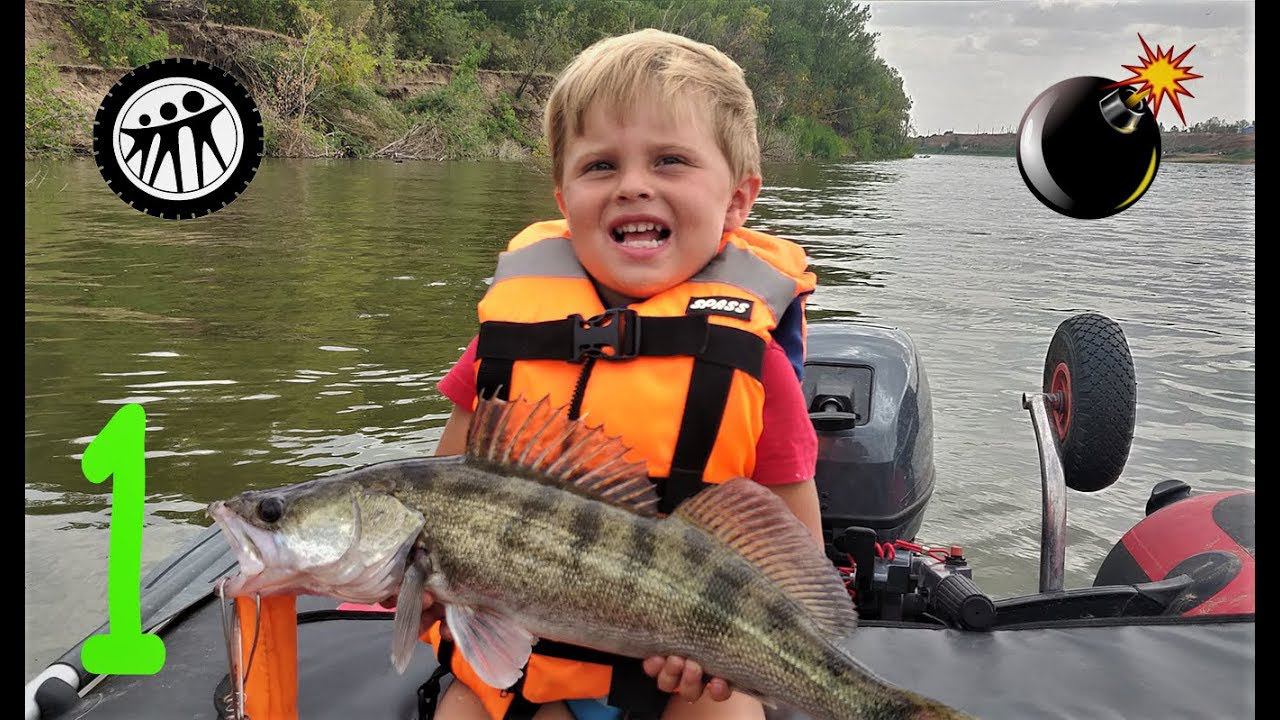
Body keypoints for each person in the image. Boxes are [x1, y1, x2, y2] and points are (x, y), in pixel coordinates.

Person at [409, 27, 821, 720]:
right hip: (529, 655)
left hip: (684, 673)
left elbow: (793, 560)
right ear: (563, 198)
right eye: (600, 166)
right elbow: (443, 500)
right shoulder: (504, 345)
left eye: (670, 161)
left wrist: (717, 646)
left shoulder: (754, 365)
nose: (634, 186)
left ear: (737, 202)